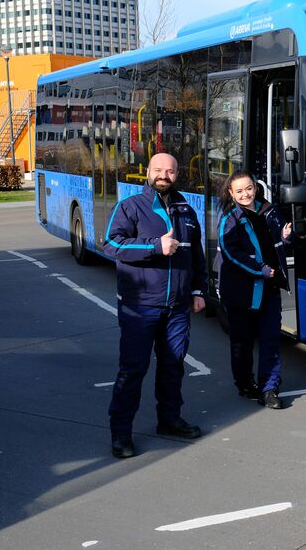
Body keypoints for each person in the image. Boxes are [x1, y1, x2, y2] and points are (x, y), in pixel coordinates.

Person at [103, 153, 207, 459]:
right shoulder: (130, 207)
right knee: (133, 369)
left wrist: (199, 291)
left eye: (171, 171)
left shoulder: (186, 210)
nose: (165, 175)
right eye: (159, 170)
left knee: (173, 366)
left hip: (177, 307)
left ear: (177, 175)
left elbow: (195, 255)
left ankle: (169, 419)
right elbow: (111, 243)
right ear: (147, 172)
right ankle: (121, 433)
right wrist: (154, 247)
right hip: (140, 306)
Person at [216, 172, 292, 410]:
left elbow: (282, 242)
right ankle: (245, 383)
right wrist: (260, 269)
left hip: (269, 289)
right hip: (242, 292)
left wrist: (287, 237)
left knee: (270, 340)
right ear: (231, 193)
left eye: (248, 189)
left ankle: (269, 388)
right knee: (243, 342)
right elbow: (230, 254)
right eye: (239, 191)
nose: (245, 194)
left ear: (255, 188)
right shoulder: (229, 218)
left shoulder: (269, 210)